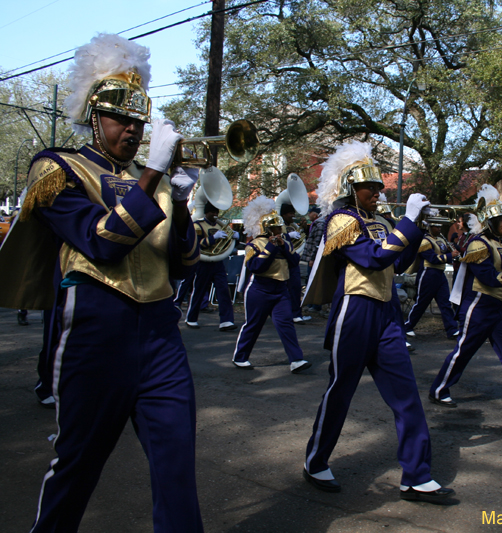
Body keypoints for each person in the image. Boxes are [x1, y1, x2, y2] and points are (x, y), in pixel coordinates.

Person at [0, 34, 203, 531]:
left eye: (138, 122)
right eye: (121, 120)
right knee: (77, 465)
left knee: (177, 468)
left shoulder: (148, 180)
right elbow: (102, 243)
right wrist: (153, 173)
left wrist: (179, 205)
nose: (132, 131)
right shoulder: (58, 168)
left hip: (160, 332)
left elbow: (184, 264)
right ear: (94, 116)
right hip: (95, 326)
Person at [302, 140, 453, 503]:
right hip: (354, 311)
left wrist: (417, 232)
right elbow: (372, 259)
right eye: (369, 187)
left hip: (386, 315)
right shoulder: (342, 220)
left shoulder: (384, 221)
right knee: (340, 391)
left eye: (378, 186)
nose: (376, 192)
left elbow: (398, 264)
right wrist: (408, 223)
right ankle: (315, 460)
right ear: (351, 189)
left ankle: (416, 475)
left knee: (406, 396)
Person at [429, 184, 502, 417]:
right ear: (489, 221)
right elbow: (490, 278)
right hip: (479, 306)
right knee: (464, 351)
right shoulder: (477, 244)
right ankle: (439, 389)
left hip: (499, 307)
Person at [231, 196, 311, 372]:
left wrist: (282, 246)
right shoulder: (255, 244)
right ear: (267, 228)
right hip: (260, 289)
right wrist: (271, 248)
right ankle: (240, 357)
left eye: (279, 226)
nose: (279, 230)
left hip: (281, 290)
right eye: (275, 227)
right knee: (253, 324)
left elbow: (294, 262)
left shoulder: (284, 242)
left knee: (286, 324)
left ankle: (296, 359)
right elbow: (256, 267)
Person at [185, 203, 238, 330]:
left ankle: (226, 320)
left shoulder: (221, 226)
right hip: (203, 262)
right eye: (212, 212)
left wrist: (233, 236)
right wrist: (213, 238)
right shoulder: (198, 225)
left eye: (216, 212)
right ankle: (191, 318)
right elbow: (196, 244)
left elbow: (226, 241)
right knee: (199, 290)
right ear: (206, 212)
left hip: (218, 262)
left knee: (223, 291)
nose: (215, 214)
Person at [404, 220, 459, 338]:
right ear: (429, 227)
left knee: (445, 303)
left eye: (440, 227)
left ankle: (452, 329)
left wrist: (454, 253)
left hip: (440, 273)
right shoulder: (424, 241)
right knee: (422, 303)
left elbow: (446, 256)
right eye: (436, 227)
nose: (439, 229)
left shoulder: (440, 240)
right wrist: (450, 255)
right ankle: (408, 326)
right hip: (428, 273)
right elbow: (432, 258)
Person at [278, 201, 312, 323]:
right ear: (284, 214)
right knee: (283, 289)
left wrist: (303, 228)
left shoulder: (293, 225)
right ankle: (283, 313)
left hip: (293, 258)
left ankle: (296, 314)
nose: (293, 215)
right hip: (281, 259)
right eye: (290, 213)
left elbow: (302, 238)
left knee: (296, 288)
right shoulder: (279, 224)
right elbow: (275, 238)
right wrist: (287, 236)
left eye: (293, 213)